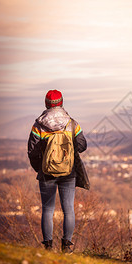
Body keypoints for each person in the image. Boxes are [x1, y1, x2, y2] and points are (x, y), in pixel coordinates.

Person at [27, 90, 89, 253]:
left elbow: (32, 151)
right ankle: (67, 245)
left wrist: (40, 168)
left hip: (46, 173)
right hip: (68, 172)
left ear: (46, 104)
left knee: (47, 209)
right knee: (68, 208)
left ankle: (48, 246)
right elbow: (82, 146)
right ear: (61, 103)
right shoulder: (72, 123)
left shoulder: (38, 125)